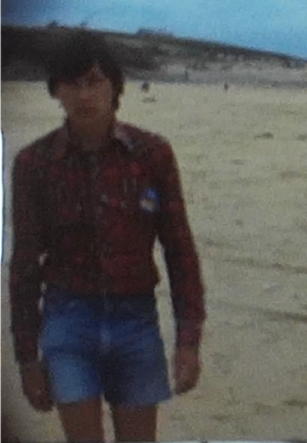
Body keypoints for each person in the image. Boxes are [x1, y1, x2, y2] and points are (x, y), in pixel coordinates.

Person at [9, 31, 206, 443]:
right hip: (68, 318)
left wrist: (189, 339)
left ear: (115, 86)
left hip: (135, 318)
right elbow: (25, 266)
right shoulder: (35, 165)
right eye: (72, 83)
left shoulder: (152, 155)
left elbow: (179, 250)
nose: (84, 94)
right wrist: (27, 359)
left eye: (95, 80)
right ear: (56, 91)